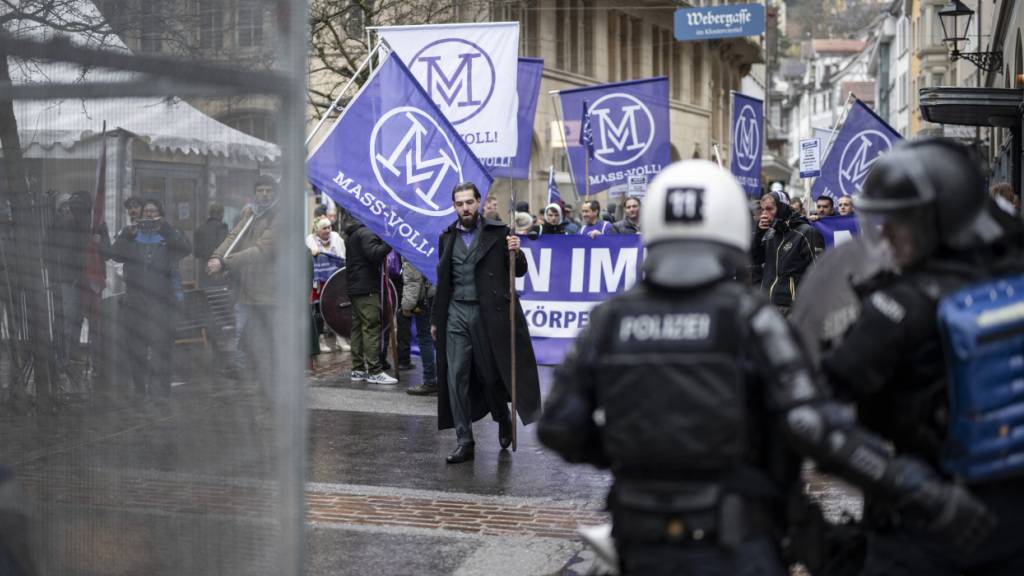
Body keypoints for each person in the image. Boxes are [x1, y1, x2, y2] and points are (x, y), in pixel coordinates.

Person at [538, 160, 994, 576]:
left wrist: (631, 454)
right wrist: (921, 492)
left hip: (637, 535)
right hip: (736, 538)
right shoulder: (749, 317)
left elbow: (558, 426)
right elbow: (812, 425)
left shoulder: (610, 319)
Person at [821, 138, 1024, 576]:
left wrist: (905, 485)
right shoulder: (1013, 274)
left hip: (928, 525)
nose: (886, 235)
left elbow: (817, 419)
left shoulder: (900, 307)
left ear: (936, 218)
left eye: (898, 221)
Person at [433, 182, 541, 464]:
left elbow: (518, 271)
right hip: (456, 312)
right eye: (459, 204)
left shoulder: (498, 232)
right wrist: (436, 319)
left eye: (469, 202)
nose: (465, 208)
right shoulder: (446, 238)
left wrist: (517, 251)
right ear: (454, 206)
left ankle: (502, 417)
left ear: (478, 202)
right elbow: (442, 282)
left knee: (491, 377)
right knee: (455, 376)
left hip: (487, 313)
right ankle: (464, 440)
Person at [111, 198, 190, 398]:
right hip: (135, 304)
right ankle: (140, 390)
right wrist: (126, 236)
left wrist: (165, 229)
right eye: (146, 211)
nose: (149, 214)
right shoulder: (131, 236)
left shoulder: (167, 237)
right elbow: (114, 254)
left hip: (161, 304)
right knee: (136, 350)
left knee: (162, 349)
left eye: (154, 211)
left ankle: (162, 393)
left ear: (161, 214)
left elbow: (185, 250)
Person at [207, 175, 279, 389]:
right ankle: (257, 376)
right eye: (260, 191)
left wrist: (225, 263)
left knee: (269, 337)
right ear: (255, 193)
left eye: (268, 191)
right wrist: (216, 256)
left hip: (270, 291)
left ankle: (271, 380)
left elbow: (262, 250)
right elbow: (233, 237)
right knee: (248, 334)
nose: (264, 195)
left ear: (274, 193)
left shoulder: (280, 215)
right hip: (247, 288)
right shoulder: (250, 212)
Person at [342, 213, 396, 384]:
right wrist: (390, 242)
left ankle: (358, 369)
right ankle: (374, 370)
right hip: (366, 288)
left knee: (358, 328)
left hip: (356, 286)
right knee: (371, 327)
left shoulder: (353, 233)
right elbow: (374, 254)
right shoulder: (366, 232)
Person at [751, 190, 824, 314]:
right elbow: (754, 259)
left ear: (782, 208)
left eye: (769, 209)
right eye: (762, 210)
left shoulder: (806, 232)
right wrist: (759, 234)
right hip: (768, 305)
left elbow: (819, 273)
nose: (764, 214)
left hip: (792, 307)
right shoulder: (770, 233)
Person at [307, 217, 348, 353]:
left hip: (335, 282)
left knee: (337, 311)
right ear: (317, 230)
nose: (328, 230)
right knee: (319, 312)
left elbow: (343, 256)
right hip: (319, 283)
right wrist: (314, 249)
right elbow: (310, 249)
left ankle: (340, 340)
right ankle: (321, 341)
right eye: (324, 228)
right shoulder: (311, 240)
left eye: (329, 227)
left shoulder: (336, 238)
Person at [402, 259, 438, 396]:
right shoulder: (443, 237)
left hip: (424, 300)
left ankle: (430, 380)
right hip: (442, 293)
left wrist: (407, 306)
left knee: (425, 337)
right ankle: (446, 380)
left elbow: (413, 279)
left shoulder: (412, 241)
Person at [193, 203, 228, 289]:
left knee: (206, 297)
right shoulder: (222, 227)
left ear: (210, 213)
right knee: (218, 296)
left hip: (203, 269)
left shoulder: (199, 229)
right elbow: (225, 249)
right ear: (221, 213)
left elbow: (196, 253)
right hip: (218, 269)